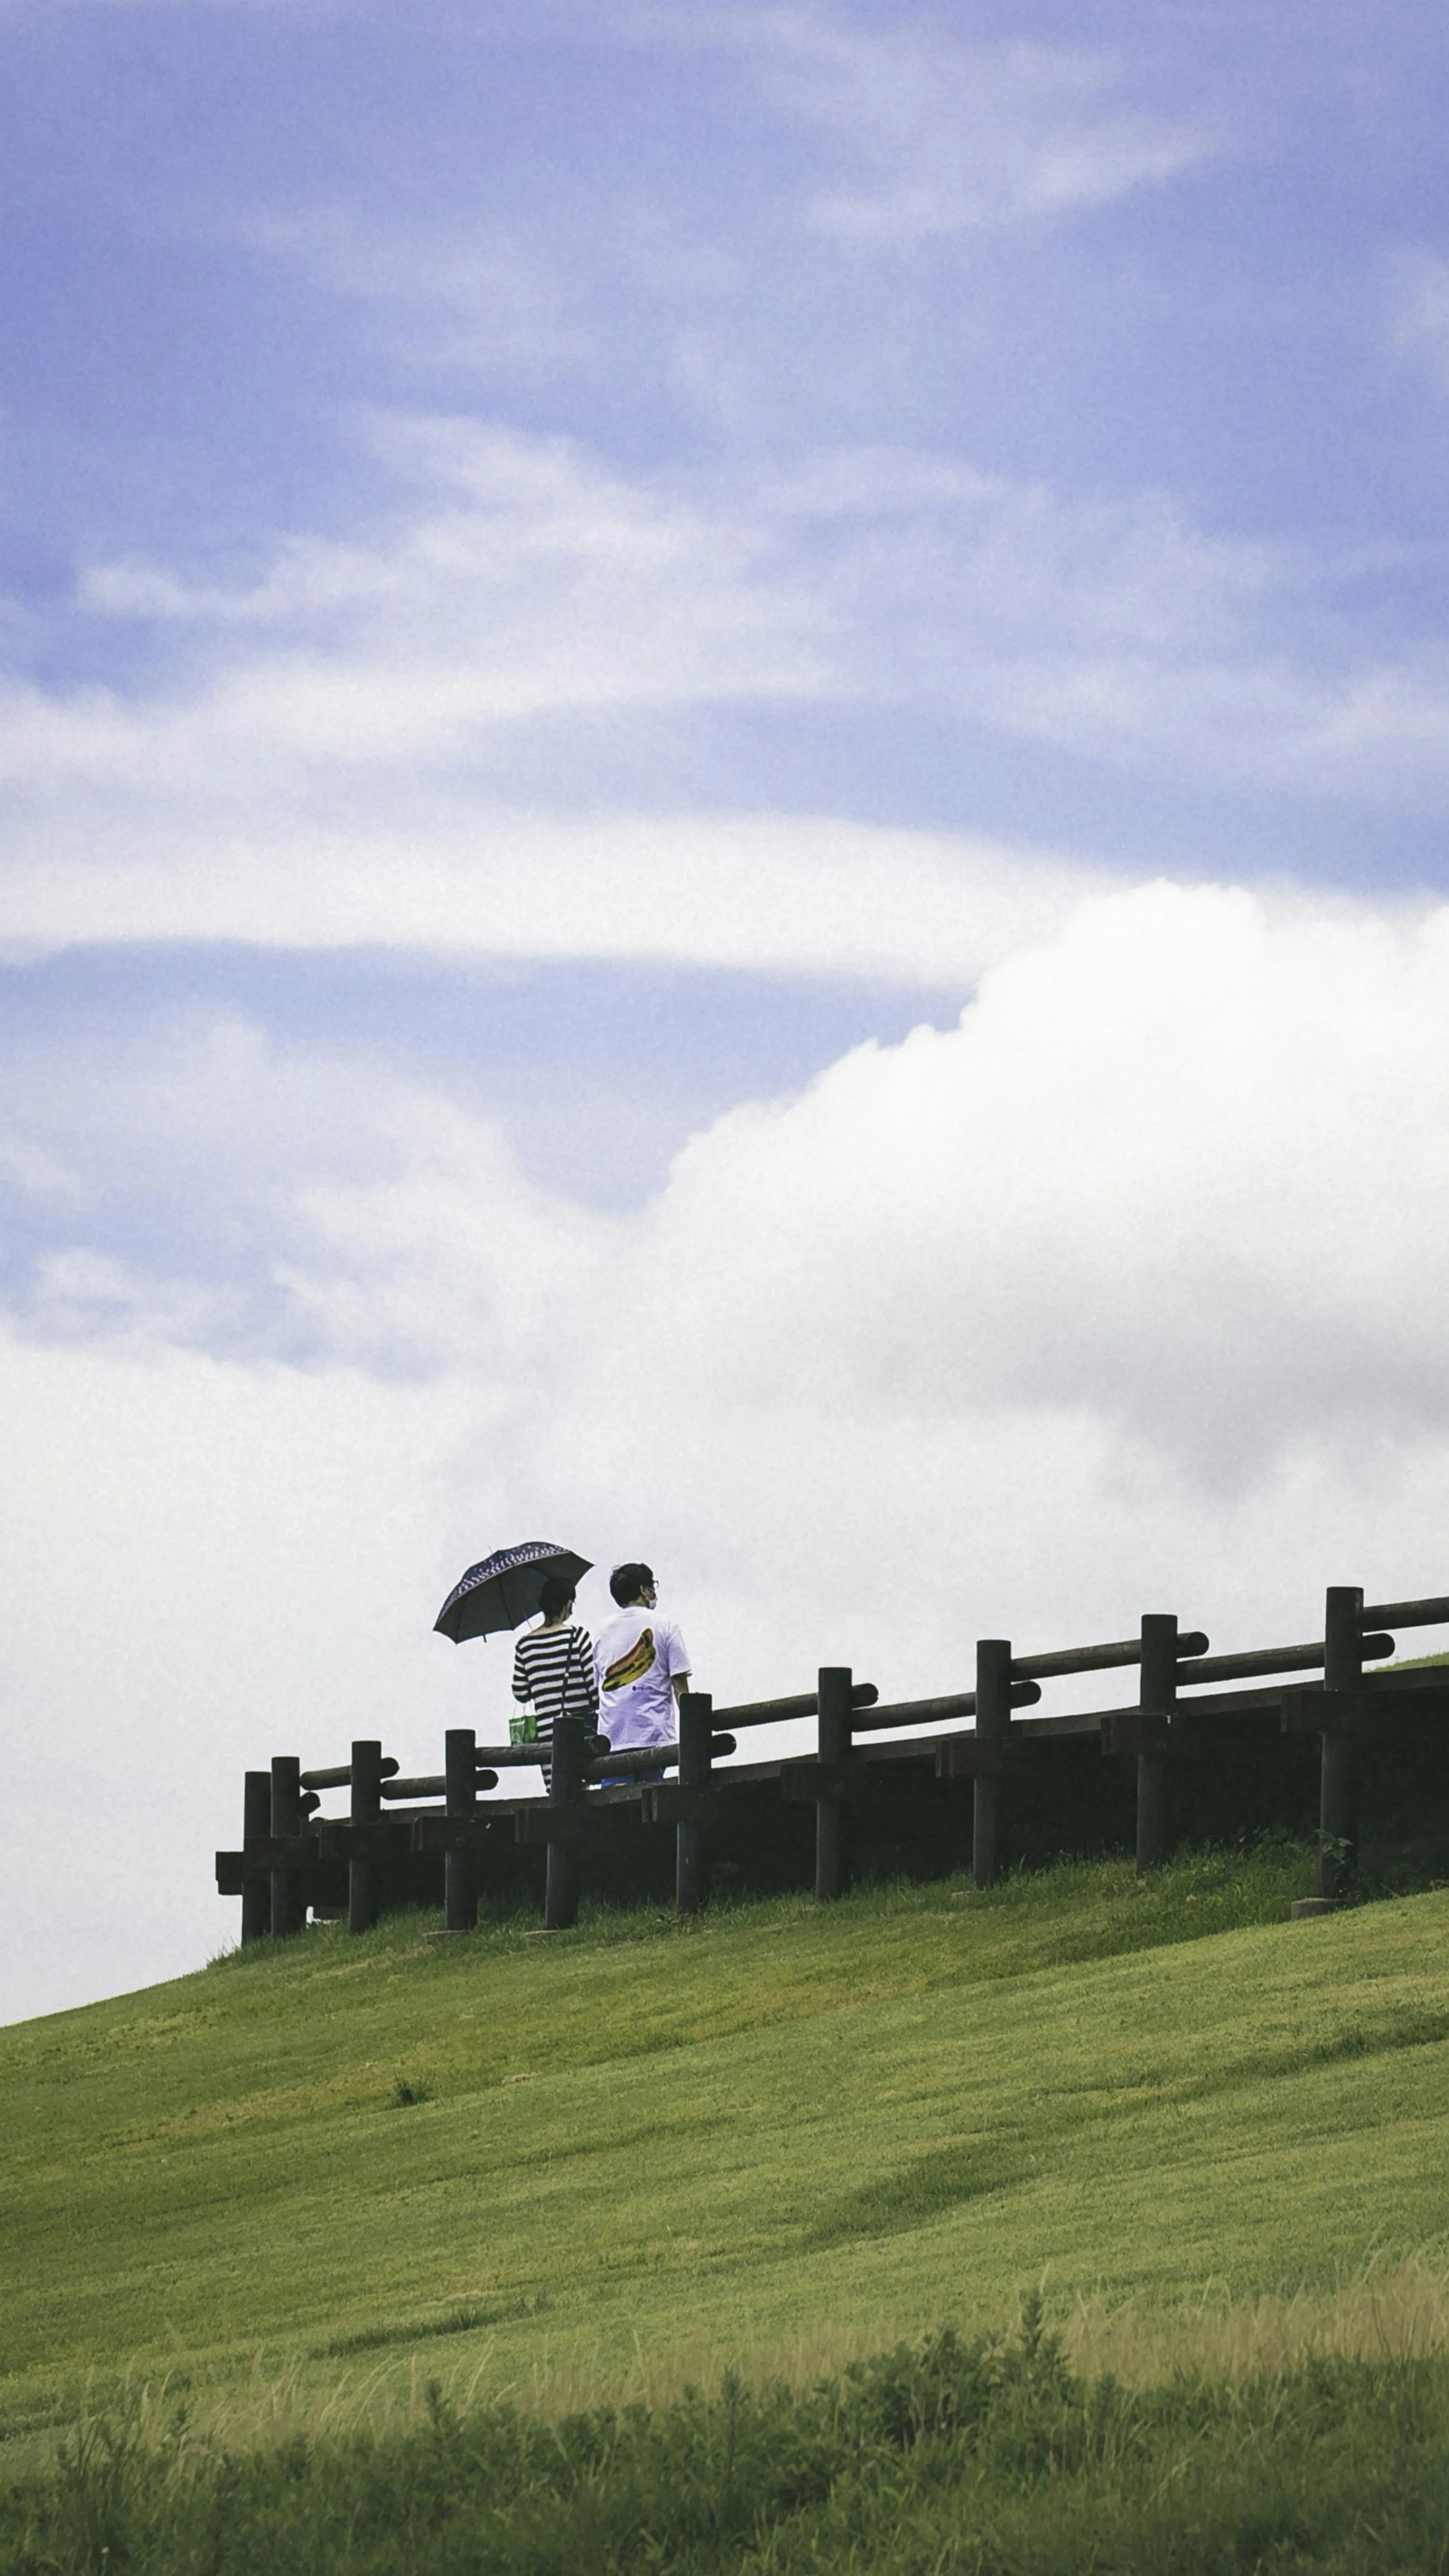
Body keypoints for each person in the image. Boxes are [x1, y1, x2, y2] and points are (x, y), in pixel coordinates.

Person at [592, 1563, 692, 1751]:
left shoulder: (601, 1631)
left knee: (617, 1782)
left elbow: (599, 1684)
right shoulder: (666, 1625)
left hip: (611, 1738)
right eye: (653, 1586)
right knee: (654, 1783)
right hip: (655, 1735)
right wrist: (693, 1728)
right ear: (643, 1590)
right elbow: (679, 1681)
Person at [511, 1574, 598, 1759]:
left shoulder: (525, 1645)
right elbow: (593, 1688)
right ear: (568, 1605)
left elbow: (521, 1693)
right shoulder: (578, 1636)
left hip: (547, 1733)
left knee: (556, 1786)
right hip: (582, 1729)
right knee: (586, 1783)